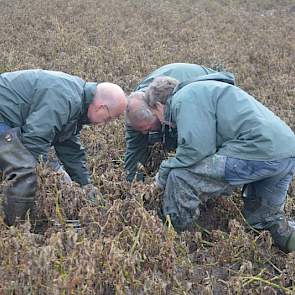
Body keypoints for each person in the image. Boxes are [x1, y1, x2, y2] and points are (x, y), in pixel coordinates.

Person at [125, 73, 295, 253]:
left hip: (257, 151)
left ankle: (173, 236)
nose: (160, 122)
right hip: (285, 152)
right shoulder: (204, 91)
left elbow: (196, 151)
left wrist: (162, 175)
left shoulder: (185, 98)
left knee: (180, 176)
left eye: (155, 115)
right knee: (264, 219)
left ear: (159, 105)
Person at [0, 69, 127, 225]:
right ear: (101, 107)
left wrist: (85, 186)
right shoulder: (66, 99)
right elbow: (34, 142)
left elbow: (69, 149)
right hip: (3, 117)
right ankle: (13, 228)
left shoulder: (79, 101)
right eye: (108, 118)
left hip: (10, 119)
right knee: (26, 172)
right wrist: (57, 172)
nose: (106, 124)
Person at [125, 63, 226, 182]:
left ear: (155, 110)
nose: (144, 133)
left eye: (147, 129)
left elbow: (196, 147)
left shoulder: (182, 103)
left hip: (211, 88)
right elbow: (134, 151)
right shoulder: (134, 110)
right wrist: (131, 186)